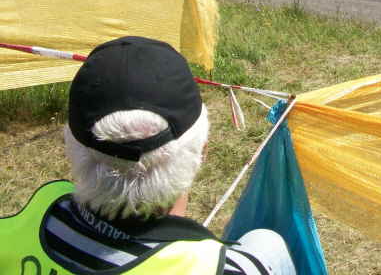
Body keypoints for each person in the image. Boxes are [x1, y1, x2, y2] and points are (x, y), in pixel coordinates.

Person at [0, 36, 296, 275]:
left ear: (71, 147)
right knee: (268, 244)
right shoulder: (226, 269)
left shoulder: (15, 229)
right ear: (202, 149)